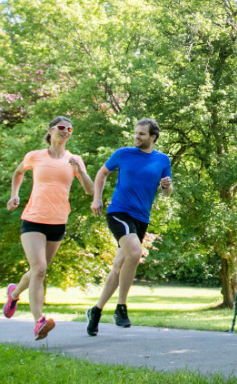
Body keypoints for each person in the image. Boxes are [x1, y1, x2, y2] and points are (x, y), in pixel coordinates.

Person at [2, 116, 94, 340]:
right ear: (50, 130)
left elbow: (90, 190)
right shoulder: (35, 156)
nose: (66, 131)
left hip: (58, 221)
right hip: (33, 219)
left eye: (70, 129)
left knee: (37, 271)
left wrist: (79, 171)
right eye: (61, 128)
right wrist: (14, 195)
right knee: (40, 268)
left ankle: (14, 293)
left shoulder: (75, 159)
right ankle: (38, 321)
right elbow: (18, 173)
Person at [85, 118, 172, 336]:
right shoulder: (123, 154)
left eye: (142, 134)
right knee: (134, 252)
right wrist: (97, 198)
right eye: (136, 133)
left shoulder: (162, 160)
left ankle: (95, 312)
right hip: (119, 212)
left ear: (153, 137)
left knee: (120, 264)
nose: (137, 137)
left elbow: (166, 191)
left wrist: (167, 187)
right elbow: (102, 173)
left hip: (142, 217)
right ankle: (121, 307)